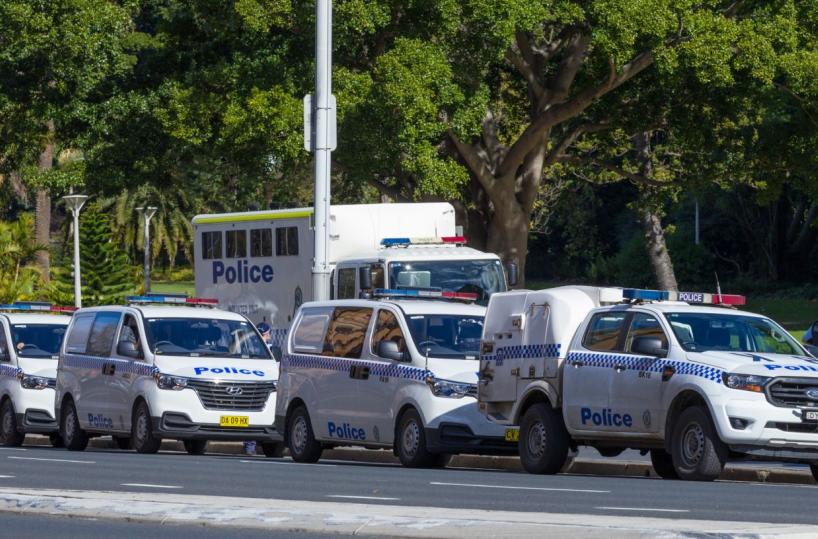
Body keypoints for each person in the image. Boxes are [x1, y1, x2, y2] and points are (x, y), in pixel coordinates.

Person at [244, 320, 272, 456]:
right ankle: (250, 446)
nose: (267, 337)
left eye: (265, 335)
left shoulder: (272, 350)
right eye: (265, 335)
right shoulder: (251, 349)